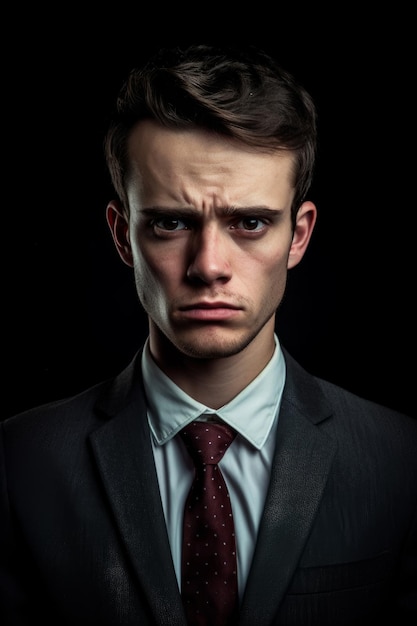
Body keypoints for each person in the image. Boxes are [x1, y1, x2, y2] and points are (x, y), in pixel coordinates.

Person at [1, 43, 416, 626]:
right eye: (171, 222)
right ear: (122, 235)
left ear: (298, 236)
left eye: (250, 222)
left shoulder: (402, 460)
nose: (209, 265)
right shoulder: (19, 462)